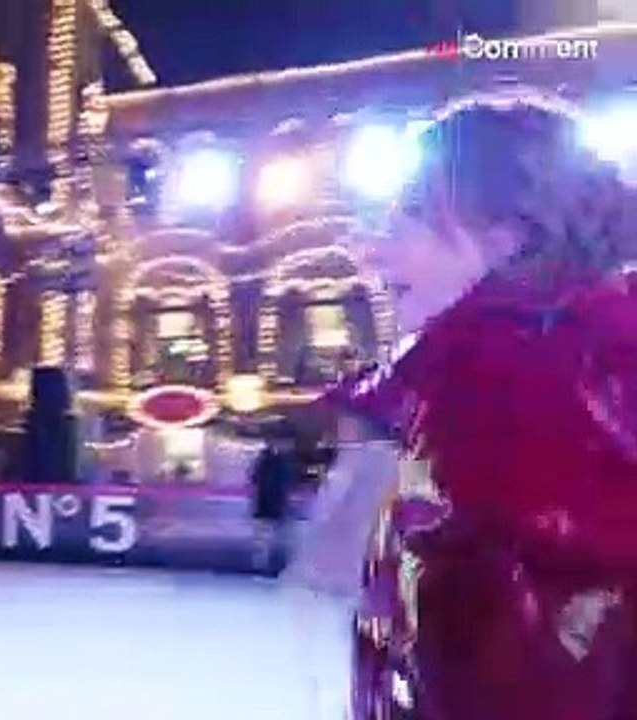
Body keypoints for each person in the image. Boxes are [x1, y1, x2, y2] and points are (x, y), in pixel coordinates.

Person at [293, 93, 637, 719]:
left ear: (510, 239)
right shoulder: (461, 403)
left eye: (415, 214)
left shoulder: (516, 422)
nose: (375, 250)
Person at [249, 424, 300, 573]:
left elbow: (288, 482)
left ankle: (275, 565)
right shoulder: (268, 459)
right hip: (267, 505)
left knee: (278, 538)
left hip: (276, 505)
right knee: (266, 539)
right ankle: (264, 566)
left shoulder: (284, 459)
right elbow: (258, 479)